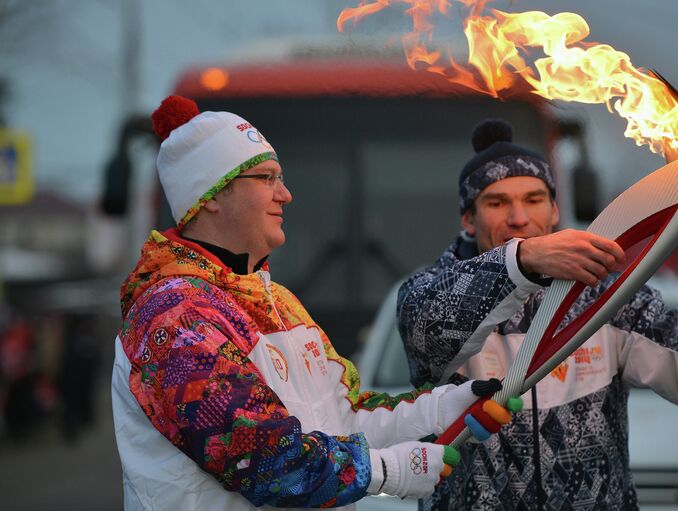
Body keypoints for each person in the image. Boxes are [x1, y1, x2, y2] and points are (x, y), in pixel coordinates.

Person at [111, 96, 517, 511]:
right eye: (266, 178)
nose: (285, 194)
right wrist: (388, 471)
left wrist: (444, 406)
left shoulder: (278, 303)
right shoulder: (174, 315)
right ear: (211, 196)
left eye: (281, 178)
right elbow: (263, 457)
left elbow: (348, 417)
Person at [397, 119, 678, 510]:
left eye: (534, 199)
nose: (518, 217)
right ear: (468, 220)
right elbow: (429, 330)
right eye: (496, 202)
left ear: (555, 209)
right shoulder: (430, 293)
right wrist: (524, 260)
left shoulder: (604, 295)